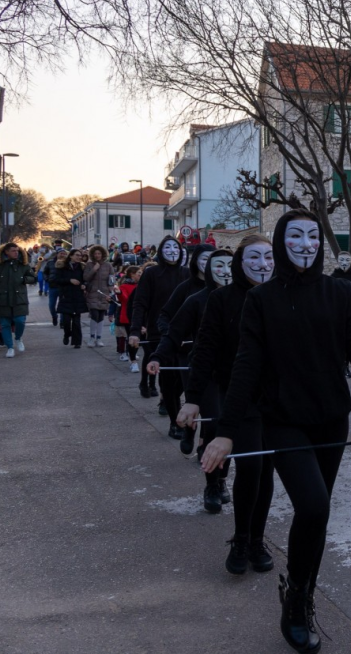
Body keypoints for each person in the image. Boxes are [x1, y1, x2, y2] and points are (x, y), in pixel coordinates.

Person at [201, 210, 351, 654]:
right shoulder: (261, 300)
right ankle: (299, 603)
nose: (306, 244)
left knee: (316, 515)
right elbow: (246, 367)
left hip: (332, 421)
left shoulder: (339, 292)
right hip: (283, 422)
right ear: (281, 241)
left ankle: (300, 592)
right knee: (314, 502)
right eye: (295, 236)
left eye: (312, 236)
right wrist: (226, 431)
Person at [179, 236, 278, 570]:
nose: (262, 264)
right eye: (254, 257)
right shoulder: (222, 299)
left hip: (277, 398)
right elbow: (204, 349)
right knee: (251, 465)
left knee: (266, 471)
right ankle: (240, 539)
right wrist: (192, 399)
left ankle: (255, 539)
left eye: (269, 257)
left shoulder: (282, 294)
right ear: (241, 261)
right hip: (236, 393)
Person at [149, 248, 233, 462]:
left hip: (236, 370)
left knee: (228, 425)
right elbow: (173, 328)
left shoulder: (248, 297)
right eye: (218, 265)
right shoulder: (194, 297)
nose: (225, 271)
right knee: (211, 417)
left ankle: (212, 464)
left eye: (230, 266)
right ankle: (213, 478)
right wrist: (158, 355)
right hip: (200, 365)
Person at [152, 243, 216, 439]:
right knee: (185, 391)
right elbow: (165, 316)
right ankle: (185, 427)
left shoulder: (224, 289)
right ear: (195, 262)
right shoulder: (185, 289)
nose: (208, 265)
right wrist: (171, 336)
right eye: (204, 260)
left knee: (209, 400)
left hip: (213, 355)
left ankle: (205, 438)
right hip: (185, 352)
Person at [130, 236, 191, 400]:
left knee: (179, 368)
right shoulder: (151, 273)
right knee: (159, 361)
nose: (172, 251)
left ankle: (169, 397)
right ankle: (154, 388)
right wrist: (135, 329)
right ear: (161, 251)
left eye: (176, 248)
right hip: (156, 328)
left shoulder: (187, 273)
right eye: (168, 248)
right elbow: (140, 303)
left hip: (182, 330)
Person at [0, 242, 35, 358]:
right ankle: (10, 347)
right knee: (5, 324)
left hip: (19, 298)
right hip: (2, 299)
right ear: (6, 252)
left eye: (17, 250)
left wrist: (25, 279)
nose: (16, 253)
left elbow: (33, 277)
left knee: (20, 320)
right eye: (13, 251)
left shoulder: (23, 264)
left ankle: (18, 338)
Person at [330, 252, 351, 378]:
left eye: (347, 260)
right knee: (339, 340)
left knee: (350, 340)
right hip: (337, 313)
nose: (344, 262)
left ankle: (347, 365)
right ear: (338, 261)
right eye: (342, 260)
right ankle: (341, 365)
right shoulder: (333, 276)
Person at [52, 249, 87, 348]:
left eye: (80, 255)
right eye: (77, 255)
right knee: (66, 321)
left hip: (77, 296)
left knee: (76, 321)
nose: (79, 257)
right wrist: (69, 280)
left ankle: (77, 342)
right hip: (66, 296)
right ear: (70, 256)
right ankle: (67, 334)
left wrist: (84, 285)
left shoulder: (81, 267)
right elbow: (57, 280)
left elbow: (85, 280)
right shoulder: (62, 267)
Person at [83, 245, 114, 347]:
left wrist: (111, 292)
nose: (97, 255)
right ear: (92, 254)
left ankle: (99, 338)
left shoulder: (108, 265)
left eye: (99, 253)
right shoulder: (89, 265)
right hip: (93, 293)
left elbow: (111, 280)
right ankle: (92, 337)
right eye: (95, 253)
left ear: (103, 254)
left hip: (104, 293)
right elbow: (86, 278)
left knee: (101, 316)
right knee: (94, 314)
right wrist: (94, 269)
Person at [115, 267, 142, 372]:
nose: (141, 275)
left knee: (140, 340)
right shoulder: (124, 286)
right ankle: (133, 360)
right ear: (132, 274)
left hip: (141, 316)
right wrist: (119, 293)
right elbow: (125, 299)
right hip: (128, 315)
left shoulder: (143, 285)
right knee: (132, 338)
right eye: (139, 273)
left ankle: (132, 355)